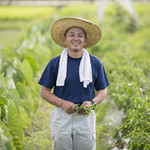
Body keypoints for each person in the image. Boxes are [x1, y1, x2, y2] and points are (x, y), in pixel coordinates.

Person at [38, 17, 109, 150]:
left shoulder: (95, 63)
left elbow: (102, 91)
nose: (75, 38)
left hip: (85, 116)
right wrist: (61, 103)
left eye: (80, 35)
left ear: (85, 41)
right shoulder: (55, 63)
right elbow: (44, 91)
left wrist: (92, 103)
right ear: (65, 40)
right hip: (61, 116)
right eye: (71, 35)